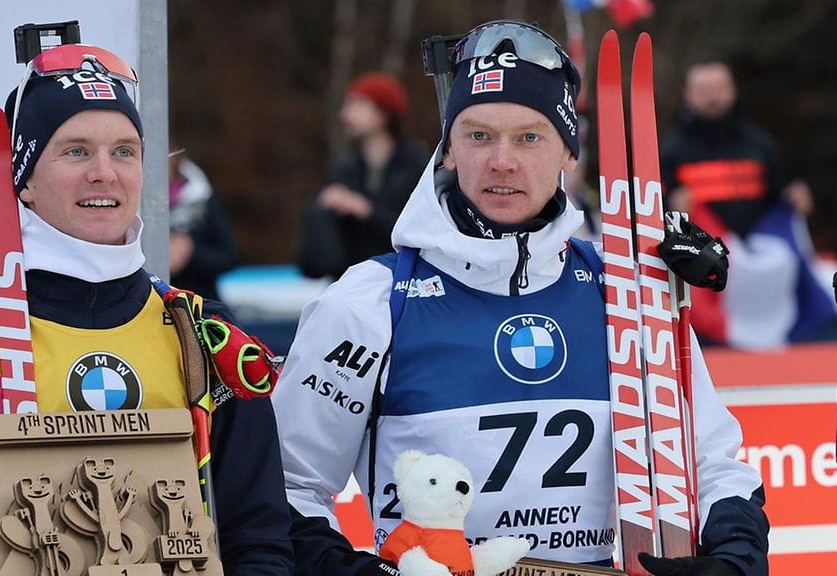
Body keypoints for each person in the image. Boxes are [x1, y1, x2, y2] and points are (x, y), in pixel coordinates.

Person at [273, 21, 768, 576]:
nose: (501, 161)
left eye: (529, 137)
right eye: (478, 135)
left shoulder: (627, 294)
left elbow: (711, 461)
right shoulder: (372, 302)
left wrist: (734, 558)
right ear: (450, 149)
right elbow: (289, 484)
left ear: (567, 154)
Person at [0, 44, 293, 575]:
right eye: (76, 151)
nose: (105, 173)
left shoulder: (202, 335)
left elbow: (260, 542)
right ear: (25, 179)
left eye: (124, 151)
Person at [661, 57, 836, 348]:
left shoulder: (759, 145)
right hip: (705, 276)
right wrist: (671, 204)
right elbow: (656, 212)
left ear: (732, 90)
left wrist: (796, 199)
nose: (713, 97)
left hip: (758, 270)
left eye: (718, 88)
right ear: (688, 95)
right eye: (703, 90)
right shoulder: (671, 151)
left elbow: (780, 194)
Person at [297, 72, 429, 279]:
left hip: (403, 284)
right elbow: (315, 260)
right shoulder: (345, 167)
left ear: (383, 113)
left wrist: (365, 210)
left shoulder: (416, 164)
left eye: (356, 105)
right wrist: (322, 210)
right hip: (351, 286)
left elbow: (422, 232)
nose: (345, 115)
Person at [168, 145, 239, 300]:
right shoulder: (130, 207)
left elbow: (229, 257)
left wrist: (191, 251)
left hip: (201, 306)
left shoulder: (202, 199)